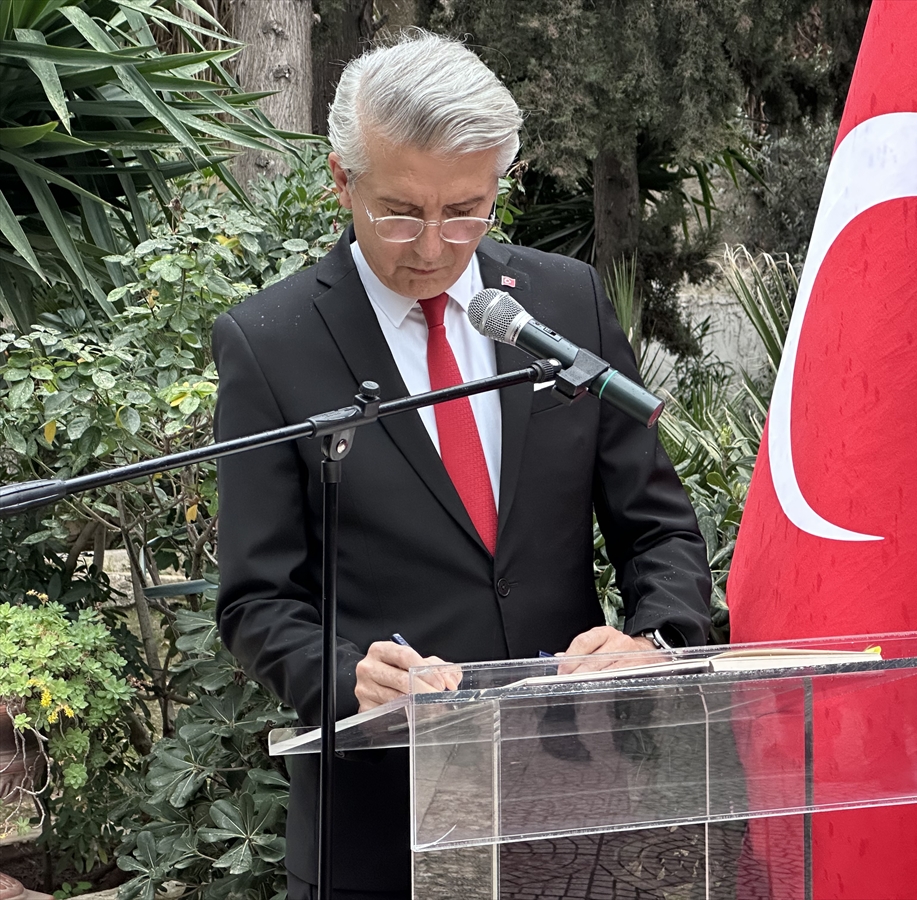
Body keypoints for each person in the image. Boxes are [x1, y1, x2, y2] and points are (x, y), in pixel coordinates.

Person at [212, 30, 712, 900]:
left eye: (467, 210)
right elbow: (257, 599)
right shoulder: (271, 342)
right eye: (401, 212)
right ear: (341, 180)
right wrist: (348, 677)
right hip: (381, 823)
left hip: (576, 798)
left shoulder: (564, 305)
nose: (435, 246)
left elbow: (658, 527)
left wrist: (654, 640)